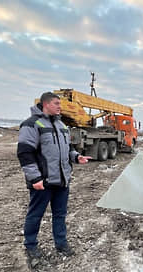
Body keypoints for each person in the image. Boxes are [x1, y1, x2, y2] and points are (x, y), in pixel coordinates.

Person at [17, 92, 90, 262]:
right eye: (57, 103)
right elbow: (25, 153)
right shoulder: (31, 124)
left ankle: (61, 243)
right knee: (35, 214)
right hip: (43, 182)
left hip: (62, 180)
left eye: (60, 103)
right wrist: (35, 178)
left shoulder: (62, 125)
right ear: (46, 104)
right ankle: (31, 245)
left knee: (60, 215)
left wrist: (76, 157)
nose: (60, 106)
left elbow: (68, 148)